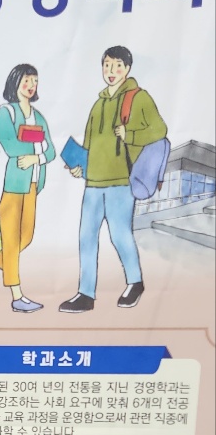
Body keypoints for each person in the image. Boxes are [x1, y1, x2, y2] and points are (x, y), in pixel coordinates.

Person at [60, 45, 167, 312]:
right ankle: (85, 294)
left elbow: (160, 130)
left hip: (121, 180)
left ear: (127, 68)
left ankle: (135, 282)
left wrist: (130, 135)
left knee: (120, 235)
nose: (111, 70)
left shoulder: (138, 98)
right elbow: (90, 144)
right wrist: (80, 168)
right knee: (86, 237)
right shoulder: (97, 105)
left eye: (118, 65)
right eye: (107, 65)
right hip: (93, 182)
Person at [0, 64, 55, 313]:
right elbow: (10, 145)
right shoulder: (6, 113)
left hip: (31, 183)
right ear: (15, 82)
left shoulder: (39, 116)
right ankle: (17, 295)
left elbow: (51, 150)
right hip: (10, 184)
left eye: (35, 81)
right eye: (26, 80)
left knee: (26, 236)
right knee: (11, 240)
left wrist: (35, 157)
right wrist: (37, 148)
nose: (31, 86)